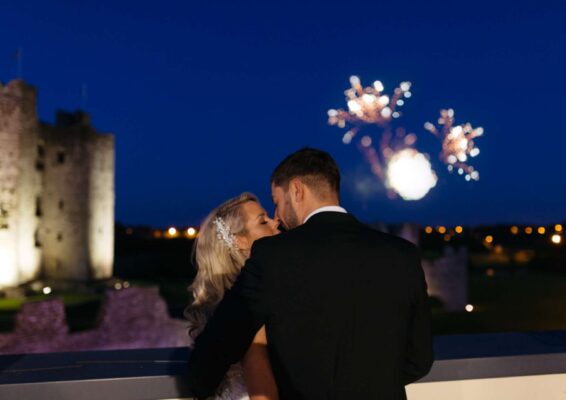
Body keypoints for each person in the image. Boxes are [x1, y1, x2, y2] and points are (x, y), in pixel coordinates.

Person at [187, 148, 434, 399]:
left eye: (277, 202)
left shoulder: (273, 256)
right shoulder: (403, 254)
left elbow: (214, 352)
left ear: (296, 190)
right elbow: (419, 360)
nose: (278, 218)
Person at [185, 192, 280, 399]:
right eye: (263, 221)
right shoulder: (248, 305)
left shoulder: (229, 303)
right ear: (240, 241)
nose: (275, 223)